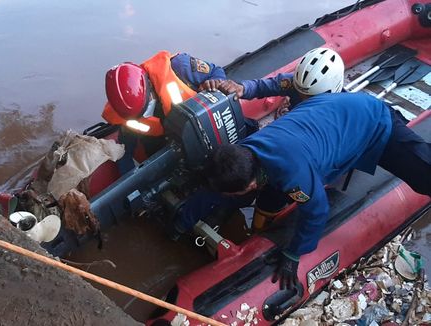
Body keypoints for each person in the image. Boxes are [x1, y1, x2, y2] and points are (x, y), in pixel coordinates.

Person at [205, 91, 431, 291]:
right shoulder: (247, 150)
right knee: (273, 195)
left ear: (250, 185)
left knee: (423, 176)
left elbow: (317, 210)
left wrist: (294, 252)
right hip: (331, 116)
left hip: (373, 121)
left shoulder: (292, 173)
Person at [174, 47, 346, 236]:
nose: (303, 97)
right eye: (301, 92)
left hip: (299, 154)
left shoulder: (336, 115)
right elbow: (267, 85)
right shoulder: (297, 84)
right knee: (225, 182)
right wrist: (242, 88)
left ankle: (259, 234)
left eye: (308, 97)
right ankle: (190, 221)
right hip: (277, 140)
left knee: (271, 200)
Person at [102, 51, 227, 173]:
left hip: (201, 126)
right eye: (138, 116)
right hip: (163, 143)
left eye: (145, 109)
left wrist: (215, 82)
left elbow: (217, 71)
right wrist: (130, 187)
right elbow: (125, 149)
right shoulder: (125, 112)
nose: (145, 116)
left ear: (149, 85)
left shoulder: (181, 67)